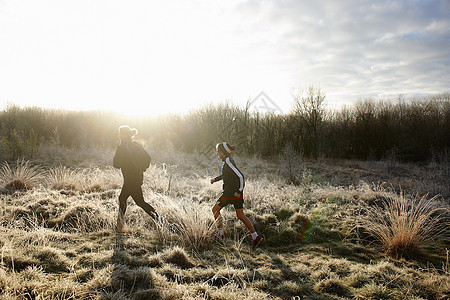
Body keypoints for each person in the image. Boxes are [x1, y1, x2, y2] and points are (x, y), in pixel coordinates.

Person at [210, 142, 264, 249]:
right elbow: (226, 175)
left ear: (224, 152)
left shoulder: (229, 161)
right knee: (240, 215)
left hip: (230, 194)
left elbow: (240, 176)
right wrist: (215, 179)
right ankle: (256, 236)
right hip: (235, 194)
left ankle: (220, 234)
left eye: (219, 151)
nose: (217, 153)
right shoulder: (227, 161)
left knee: (215, 210)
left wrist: (239, 190)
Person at [113, 125, 158, 232]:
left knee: (136, 201)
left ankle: (160, 220)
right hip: (137, 177)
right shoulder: (137, 145)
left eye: (120, 133)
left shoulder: (122, 148)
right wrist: (142, 168)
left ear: (124, 135)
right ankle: (119, 226)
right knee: (127, 199)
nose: (119, 135)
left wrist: (120, 159)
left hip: (130, 179)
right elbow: (148, 158)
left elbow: (116, 164)